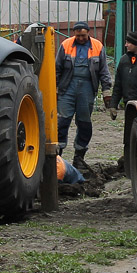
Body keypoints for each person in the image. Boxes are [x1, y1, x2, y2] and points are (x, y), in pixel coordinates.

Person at [55, 21, 113, 172]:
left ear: (88, 33)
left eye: (83, 35)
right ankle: (56, 158)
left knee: (84, 124)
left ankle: (79, 158)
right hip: (67, 88)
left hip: (87, 88)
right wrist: (54, 89)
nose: (80, 38)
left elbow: (103, 71)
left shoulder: (98, 46)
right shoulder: (66, 45)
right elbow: (57, 68)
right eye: (78, 35)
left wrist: (107, 92)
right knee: (61, 122)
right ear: (74, 34)